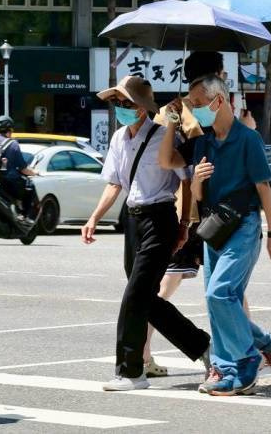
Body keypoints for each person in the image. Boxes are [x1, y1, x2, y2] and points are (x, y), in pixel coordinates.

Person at [158, 75, 271, 396]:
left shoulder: (247, 139)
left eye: (198, 104)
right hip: (213, 227)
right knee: (215, 300)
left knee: (220, 293)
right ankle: (254, 353)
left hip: (243, 226)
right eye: (191, 105)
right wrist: (196, 178)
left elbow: (263, 187)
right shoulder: (203, 142)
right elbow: (183, 179)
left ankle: (247, 360)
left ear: (219, 101)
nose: (194, 110)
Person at [81, 76, 211, 391]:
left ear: (141, 107)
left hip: (160, 219)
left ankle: (131, 371)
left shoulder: (164, 136)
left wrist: (184, 224)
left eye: (125, 102)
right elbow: (114, 183)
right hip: (133, 220)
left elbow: (185, 179)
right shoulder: (118, 139)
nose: (120, 108)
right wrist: (94, 217)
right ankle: (204, 347)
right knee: (145, 298)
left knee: (134, 297)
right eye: (117, 102)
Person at [0, 115, 39, 219]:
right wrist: (34, 172)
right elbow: (23, 168)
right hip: (7, 183)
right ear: (10, 129)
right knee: (29, 186)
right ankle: (25, 216)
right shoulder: (13, 144)